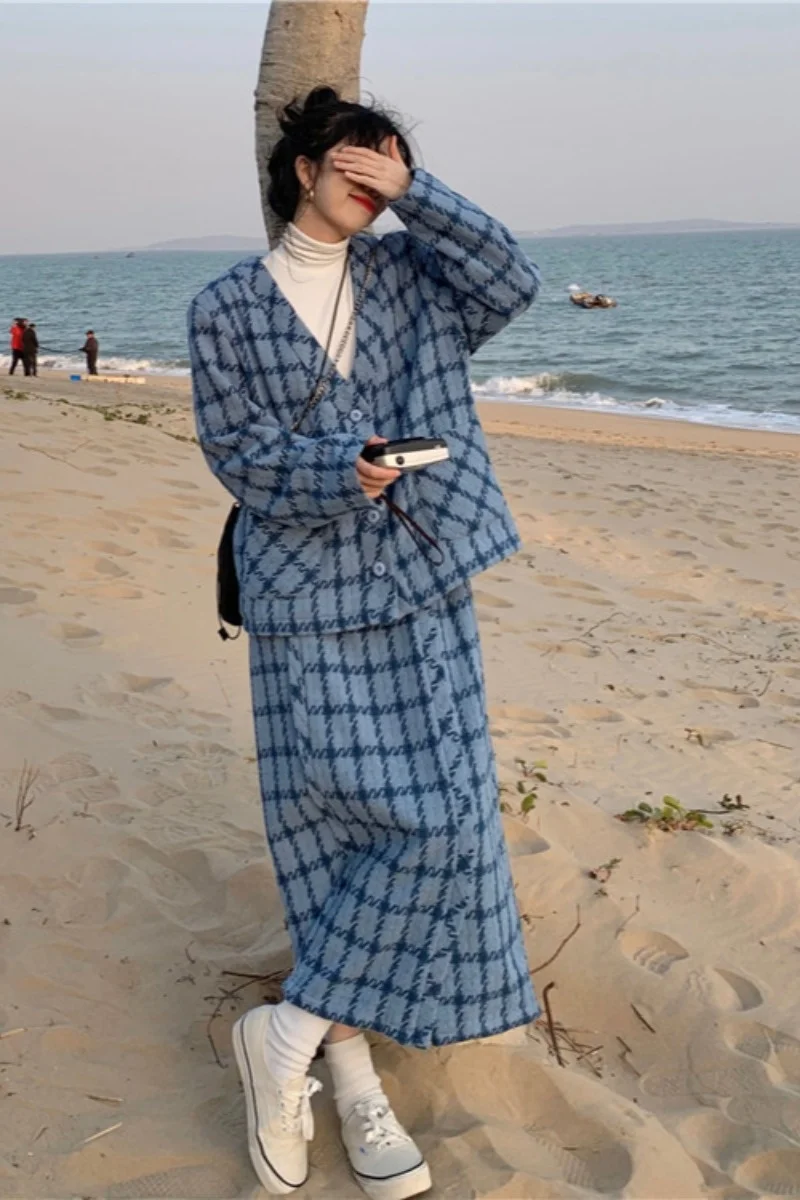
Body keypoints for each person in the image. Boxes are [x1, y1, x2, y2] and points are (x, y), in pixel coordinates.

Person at [188, 86, 541, 1200]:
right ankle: (347, 1073)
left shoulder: (410, 274)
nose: (374, 178)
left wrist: (418, 195)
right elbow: (236, 450)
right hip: (307, 596)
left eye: (390, 163)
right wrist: (336, 472)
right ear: (304, 168)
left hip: (427, 574)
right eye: (356, 159)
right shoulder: (224, 306)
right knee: (336, 831)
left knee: (449, 820)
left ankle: (291, 1030)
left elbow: (511, 279)